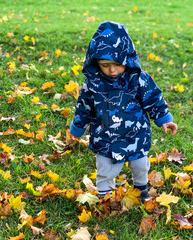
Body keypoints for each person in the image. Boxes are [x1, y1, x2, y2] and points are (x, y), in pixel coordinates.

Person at [69, 21, 177, 202]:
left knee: (140, 166)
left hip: (136, 135)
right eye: (105, 65)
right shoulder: (92, 83)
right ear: (95, 62)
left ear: (127, 58)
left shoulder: (138, 79)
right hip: (106, 138)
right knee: (105, 169)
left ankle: (140, 190)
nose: (112, 70)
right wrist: (77, 129)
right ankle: (105, 196)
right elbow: (84, 107)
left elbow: (153, 98)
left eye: (118, 64)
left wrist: (164, 119)